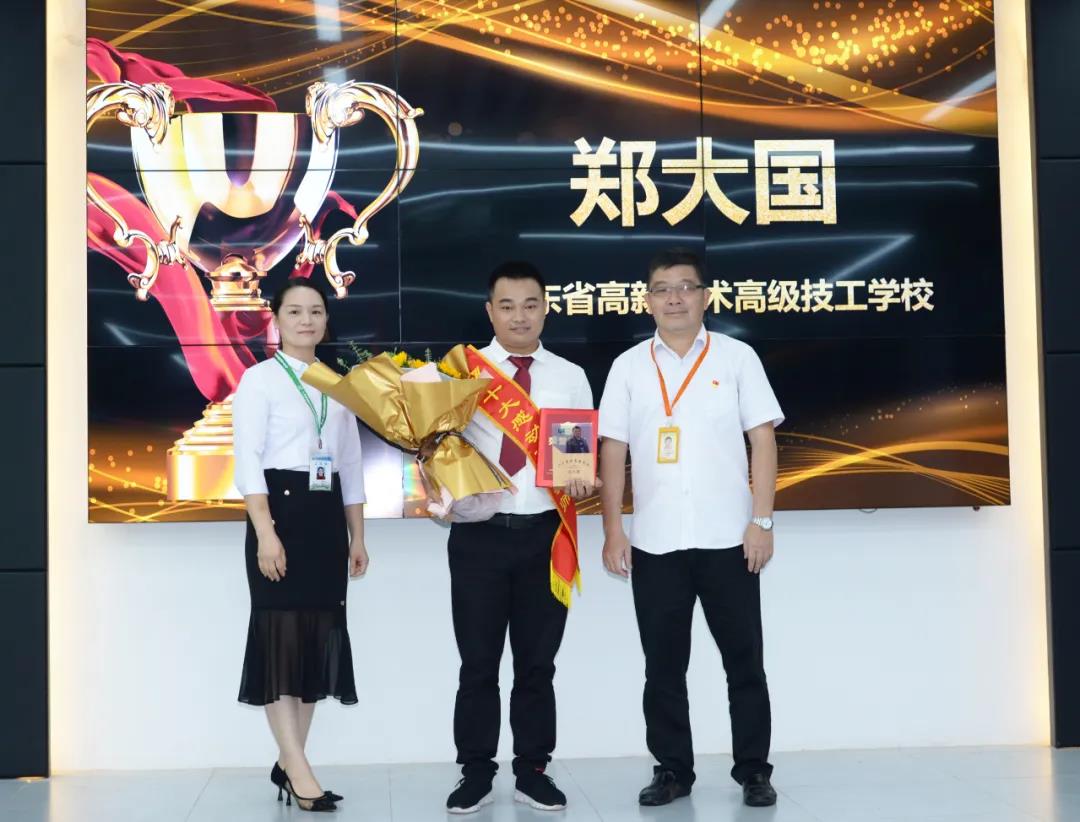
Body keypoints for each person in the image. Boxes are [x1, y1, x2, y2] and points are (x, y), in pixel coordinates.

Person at [598, 249, 784, 809]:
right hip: (655, 542)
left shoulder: (738, 358)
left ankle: (753, 771)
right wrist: (613, 530)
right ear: (647, 300)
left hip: (730, 541)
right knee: (663, 668)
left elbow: (763, 440)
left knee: (744, 663)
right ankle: (672, 770)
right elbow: (612, 450)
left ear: (706, 296)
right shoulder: (629, 366)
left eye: (685, 287)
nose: (674, 298)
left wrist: (762, 521)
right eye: (662, 288)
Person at [445, 261, 595, 814]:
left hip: (545, 536)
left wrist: (580, 478)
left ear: (545, 309)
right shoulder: (462, 372)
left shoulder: (569, 376)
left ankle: (533, 770)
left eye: (530, 305)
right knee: (478, 663)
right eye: (506, 306)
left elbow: (576, 455)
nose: (519, 316)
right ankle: (475, 772)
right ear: (490, 312)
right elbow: (436, 449)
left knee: (537, 664)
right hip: (479, 539)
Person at [232, 279, 369, 813]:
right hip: (280, 517)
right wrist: (265, 532)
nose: (306, 320)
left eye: (315, 311)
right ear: (277, 319)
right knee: (280, 641)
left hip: (325, 519)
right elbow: (248, 461)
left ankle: (291, 765)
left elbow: (350, 465)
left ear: (326, 320)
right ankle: (301, 771)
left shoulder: (338, 383)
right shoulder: (259, 380)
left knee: (314, 642)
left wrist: (358, 536)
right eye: (295, 311)